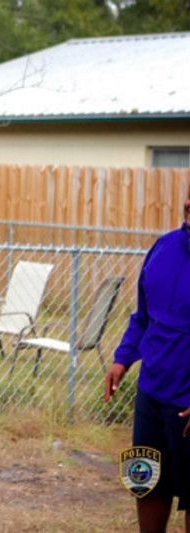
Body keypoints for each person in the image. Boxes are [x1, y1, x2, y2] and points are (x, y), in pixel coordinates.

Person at [105, 191, 190, 532]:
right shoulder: (163, 248)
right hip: (150, 394)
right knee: (145, 480)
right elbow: (144, 316)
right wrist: (122, 359)